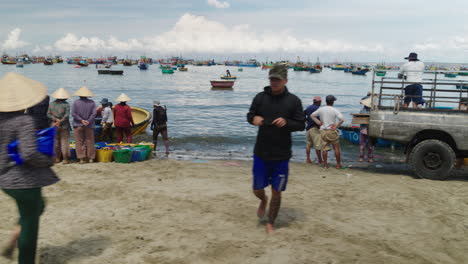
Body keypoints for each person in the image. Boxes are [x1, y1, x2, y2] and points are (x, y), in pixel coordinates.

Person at [0, 72, 59, 263]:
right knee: (30, 223)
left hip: (5, 179)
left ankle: (14, 237)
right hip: (25, 180)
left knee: (36, 208)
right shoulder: (24, 120)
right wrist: (48, 161)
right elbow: (29, 154)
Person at [247, 63, 305, 234]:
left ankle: (270, 222)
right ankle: (263, 200)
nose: (274, 82)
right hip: (261, 152)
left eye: (278, 80)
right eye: (272, 79)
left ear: (285, 80)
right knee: (257, 188)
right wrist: (253, 119)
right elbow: (250, 115)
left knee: (277, 191)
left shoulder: (293, 101)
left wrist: (287, 122)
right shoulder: (260, 97)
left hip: (281, 155)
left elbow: (301, 124)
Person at [311, 95, 344, 169]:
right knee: (336, 148)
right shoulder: (334, 110)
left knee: (324, 148)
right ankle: (338, 165)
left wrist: (319, 122)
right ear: (333, 102)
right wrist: (336, 125)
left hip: (323, 130)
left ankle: (325, 165)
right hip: (331, 130)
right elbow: (342, 119)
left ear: (326, 101)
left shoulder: (321, 109)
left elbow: (312, 115)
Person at [71, 86, 97, 164]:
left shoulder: (76, 102)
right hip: (89, 125)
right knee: (90, 141)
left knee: (79, 142)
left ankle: (81, 159)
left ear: (79, 95)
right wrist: (88, 121)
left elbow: (73, 113)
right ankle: (91, 158)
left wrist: (81, 120)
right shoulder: (92, 102)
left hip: (78, 124)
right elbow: (94, 113)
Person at [47, 88, 72, 164]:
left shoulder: (51, 104)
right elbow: (67, 115)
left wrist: (55, 120)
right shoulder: (66, 104)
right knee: (64, 142)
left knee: (56, 142)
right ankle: (65, 159)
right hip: (64, 126)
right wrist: (60, 121)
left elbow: (48, 114)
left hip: (54, 125)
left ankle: (56, 158)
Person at [304, 96, 323, 164]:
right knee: (318, 145)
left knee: (308, 145)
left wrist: (306, 121)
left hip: (308, 128)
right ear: (319, 101)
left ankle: (308, 159)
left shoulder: (308, 107)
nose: (321, 102)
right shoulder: (318, 108)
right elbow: (320, 118)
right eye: (320, 101)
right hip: (315, 128)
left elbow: (302, 114)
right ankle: (320, 160)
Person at [358, 93, 375, 163]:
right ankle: (370, 158)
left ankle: (361, 157)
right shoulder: (373, 111)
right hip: (371, 130)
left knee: (362, 144)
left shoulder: (362, 110)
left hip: (363, 129)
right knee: (370, 145)